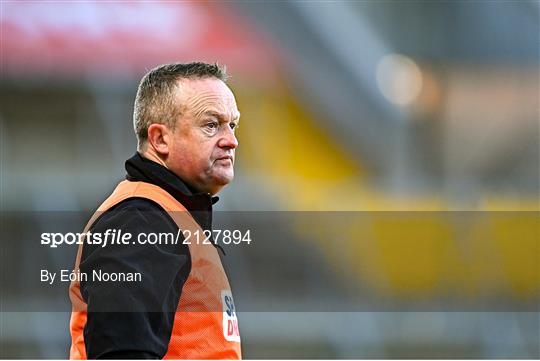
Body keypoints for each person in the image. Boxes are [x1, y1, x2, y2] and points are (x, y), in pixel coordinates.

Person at [69, 62, 242, 359]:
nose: (231, 140)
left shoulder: (170, 215)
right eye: (211, 125)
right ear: (160, 139)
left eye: (232, 125)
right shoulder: (139, 221)